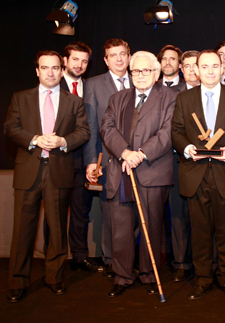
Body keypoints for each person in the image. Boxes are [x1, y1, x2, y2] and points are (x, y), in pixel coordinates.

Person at [5, 50, 90, 302]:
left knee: (57, 231)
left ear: (61, 70)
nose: (51, 72)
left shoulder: (74, 101)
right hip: (28, 171)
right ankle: (17, 281)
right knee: (22, 231)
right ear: (37, 71)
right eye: (45, 68)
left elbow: (84, 132)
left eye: (55, 68)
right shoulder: (21, 98)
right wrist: (34, 139)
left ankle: (54, 278)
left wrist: (63, 140)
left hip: (59, 171)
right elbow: (10, 128)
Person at [172, 50, 225, 301]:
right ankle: (203, 279)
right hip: (195, 174)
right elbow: (176, 131)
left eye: (214, 66)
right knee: (200, 232)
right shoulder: (184, 99)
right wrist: (186, 149)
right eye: (204, 66)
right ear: (196, 69)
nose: (209, 71)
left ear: (222, 68)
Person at [99, 50, 177, 297]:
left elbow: (167, 133)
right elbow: (107, 127)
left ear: (156, 73)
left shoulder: (171, 97)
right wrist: (125, 152)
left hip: (152, 170)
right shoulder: (118, 97)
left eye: (146, 71)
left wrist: (140, 154)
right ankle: (122, 277)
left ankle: (148, 275)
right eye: (136, 71)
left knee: (151, 227)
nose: (140, 75)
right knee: (121, 229)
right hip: (121, 170)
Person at [83, 38, 132, 279]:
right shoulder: (93, 85)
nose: (119, 59)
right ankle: (112, 262)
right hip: (108, 159)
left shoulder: (142, 79)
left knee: (135, 213)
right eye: (113, 55)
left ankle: (130, 261)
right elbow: (90, 126)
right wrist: (92, 160)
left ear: (129, 56)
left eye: (122, 54)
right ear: (105, 60)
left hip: (137, 160)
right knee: (110, 212)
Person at [60, 41, 101, 272]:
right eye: (75, 59)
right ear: (65, 61)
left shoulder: (90, 87)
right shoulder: (54, 86)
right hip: (59, 159)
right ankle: (52, 258)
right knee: (55, 214)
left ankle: (79, 256)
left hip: (84, 159)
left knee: (80, 211)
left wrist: (91, 160)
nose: (80, 64)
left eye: (84, 61)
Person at [167, 50, 200, 283]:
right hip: (177, 162)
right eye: (186, 66)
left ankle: (205, 263)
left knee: (204, 217)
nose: (191, 70)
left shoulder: (214, 92)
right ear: (181, 69)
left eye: (194, 65)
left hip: (208, 164)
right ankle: (180, 263)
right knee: (178, 216)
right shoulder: (168, 94)